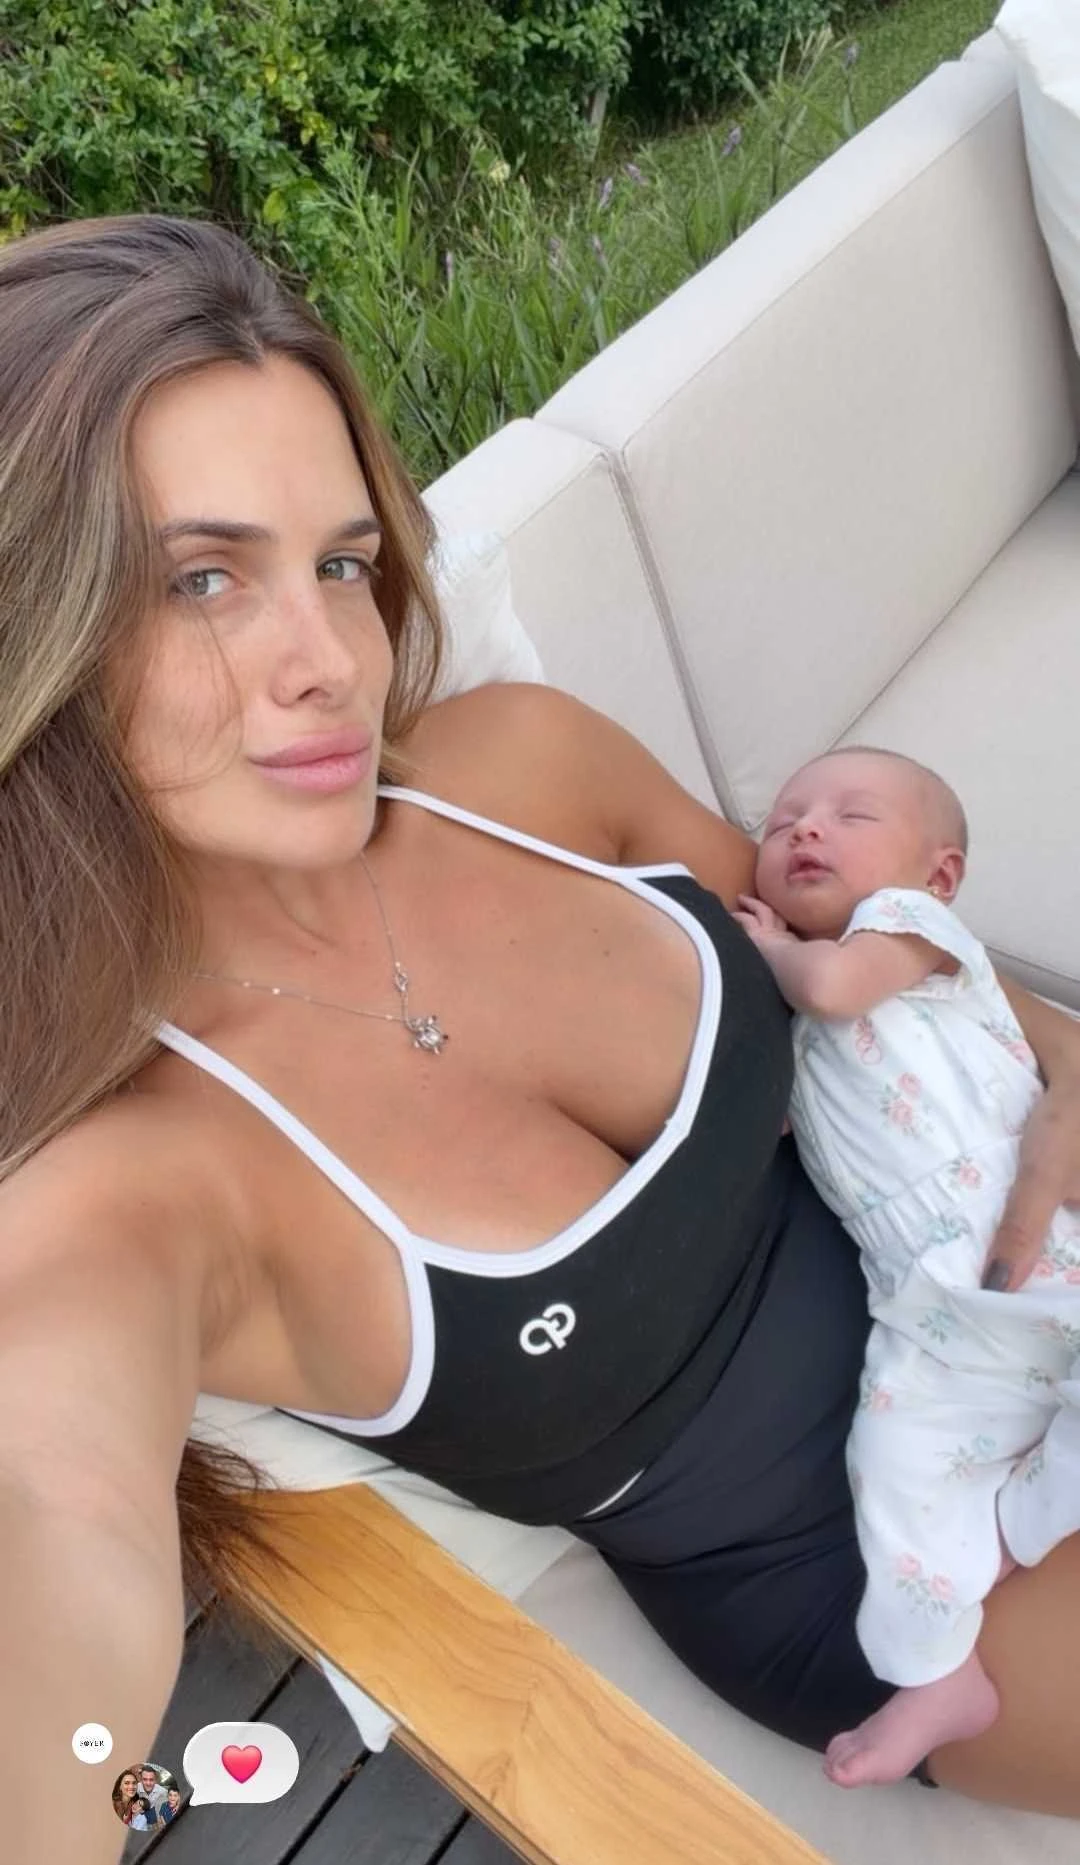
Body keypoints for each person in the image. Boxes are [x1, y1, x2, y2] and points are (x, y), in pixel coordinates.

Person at [0, 217, 1078, 1865]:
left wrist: (1066, 1079)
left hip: (1007, 1283)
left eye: (342, 564)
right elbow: (55, 1521)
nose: (329, 664)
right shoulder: (144, 1183)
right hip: (899, 1578)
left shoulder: (522, 767)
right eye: (200, 579)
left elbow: (878, 954)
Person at [732, 747, 1080, 1787]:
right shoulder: (793, 1027)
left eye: (852, 814)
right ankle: (937, 1669)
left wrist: (770, 949)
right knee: (889, 1464)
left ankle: (1027, 1514)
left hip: (1040, 1242)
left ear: (939, 873)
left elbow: (836, 984)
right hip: (924, 1307)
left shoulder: (914, 934)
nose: (805, 828)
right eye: (783, 819)